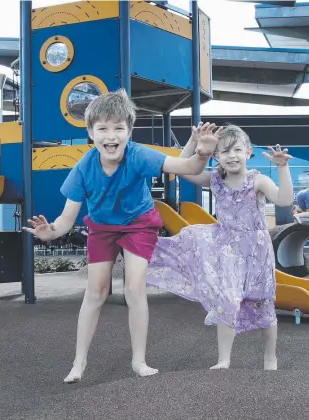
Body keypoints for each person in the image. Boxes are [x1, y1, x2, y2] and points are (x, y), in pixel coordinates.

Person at [22, 89, 222, 383]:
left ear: (129, 130)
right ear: (91, 132)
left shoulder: (138, 154)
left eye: (118, 128)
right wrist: (49, 232)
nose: (110, 135)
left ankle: (139, 361)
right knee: (96, 292)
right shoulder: (83, 169)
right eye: (102, 128)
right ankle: (78, 363)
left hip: (139, 224)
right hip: (102, 227)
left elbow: (187, 167)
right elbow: (66, 220)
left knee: (133, 287)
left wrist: (203, 152)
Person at [146, 123, 294, 371]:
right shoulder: (214, 178)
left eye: (237, 150)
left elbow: (284, 199)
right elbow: (183, 170)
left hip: (256, 252)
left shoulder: (256, 180)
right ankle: (223, 359)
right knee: (228, 299)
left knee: (263, 302)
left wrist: (283, 167)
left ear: (248, 152)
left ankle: (270, 358)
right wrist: (193, 143)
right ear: (216, 156)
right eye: (224, 151)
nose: (231, 156)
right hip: (227, 249)